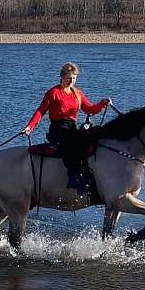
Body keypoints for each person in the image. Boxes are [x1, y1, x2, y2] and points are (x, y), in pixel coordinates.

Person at [23, 62, 110, 192]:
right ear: (62, 77)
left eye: (74, 78)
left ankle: (88, 174)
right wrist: (30, 127)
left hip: (72, 127)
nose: (71, 81)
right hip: (58, 128)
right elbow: (40, 111)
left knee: (90, 139)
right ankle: (73, 177)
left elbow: (90, 110)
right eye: (69, 78)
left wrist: (103, 103)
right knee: (71, 143)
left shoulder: (77, 94)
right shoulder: (53, 92)